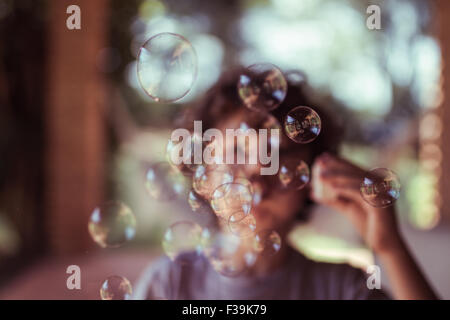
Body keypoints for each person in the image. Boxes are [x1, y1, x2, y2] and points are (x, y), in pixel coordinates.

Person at [133, 69, 437, 300]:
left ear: (314, 175)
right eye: (238, 151)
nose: (257, 176)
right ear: (204, 175)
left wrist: (390, 247)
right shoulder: (170, 284)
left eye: (278, 156)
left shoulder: (342, 288)